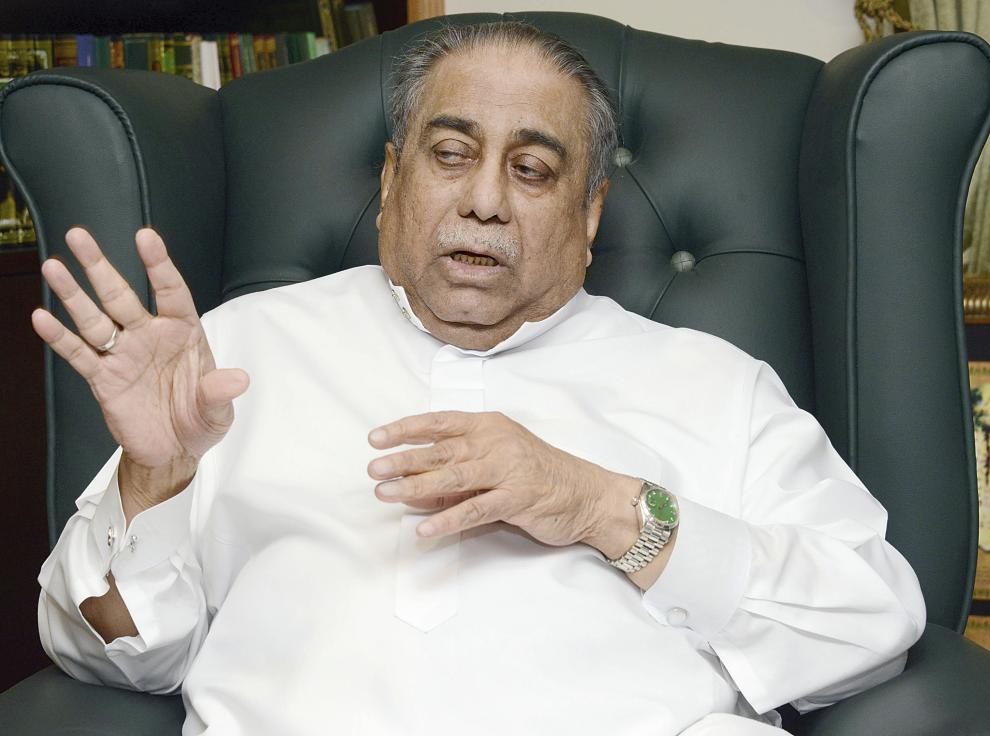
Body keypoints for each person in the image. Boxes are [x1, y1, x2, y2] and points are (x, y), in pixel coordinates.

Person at [30, 21, 925, 736]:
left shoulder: (716, 385)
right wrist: (153, 481)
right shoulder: (232, 354)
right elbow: (108, 654)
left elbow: (872, 622)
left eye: (532, 170)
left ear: (590, 213)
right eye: (451, 153)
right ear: (392, 180)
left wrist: (600, 506)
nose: (485, 200)